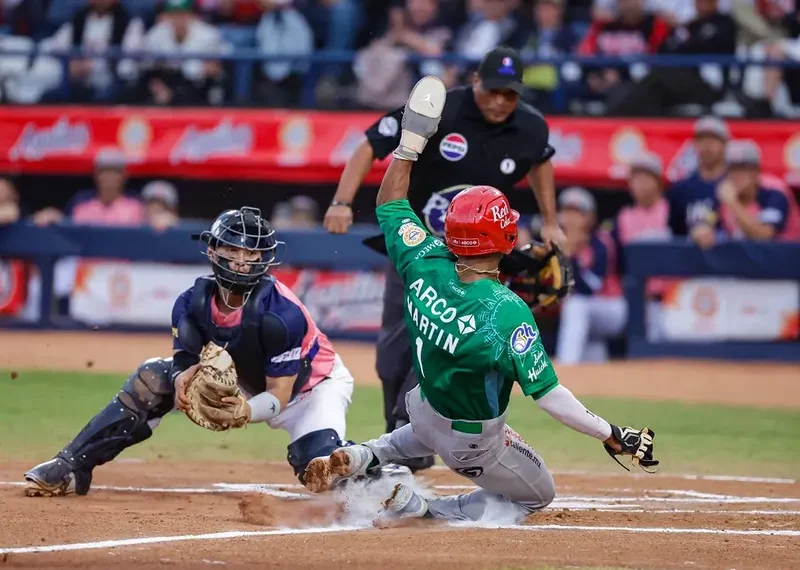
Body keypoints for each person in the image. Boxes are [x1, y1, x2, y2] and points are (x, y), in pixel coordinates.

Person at [303, 76, 657, 522]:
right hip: (471, 441)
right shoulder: (506, 311)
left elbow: (390, 201)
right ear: (505, 237)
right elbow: (550, 398)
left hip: (424, 405)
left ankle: (364, 455)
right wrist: (613, 433)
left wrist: (409, 145)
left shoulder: (422, 258)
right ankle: (422, 510)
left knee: (423, 426)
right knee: (536, 497)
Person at [22, 206, 397, 497]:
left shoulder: (281, 315)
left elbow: (281, 395)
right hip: (244, 380)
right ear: (213, 249)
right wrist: (185, 381)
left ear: (265, 258)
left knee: (317, 469)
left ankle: (384, 475)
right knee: (153, 379)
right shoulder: (191, 303)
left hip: (309, 390)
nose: (239, 259)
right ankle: (72, 466)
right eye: (231, 248)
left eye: (250, 252)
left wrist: (243, 411)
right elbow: (184, 359)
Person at [325, 46, 565, 471]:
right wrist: (343, 201)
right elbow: (369, 144)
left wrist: (550, 220)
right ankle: (402, 436)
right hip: (420, 249)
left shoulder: (530, 127)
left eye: (509, 95)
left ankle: (412, 437)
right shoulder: (439, 109)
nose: (499, 101)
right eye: (492, 91)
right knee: (394, 355)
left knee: (448, 345)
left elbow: (541, 161)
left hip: (479, 260)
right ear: (475, 81)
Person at [554, 187, 625, 364]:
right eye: (566, 211)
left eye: (578, 212)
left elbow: (589, 289)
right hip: (585, 318)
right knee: (592, 363)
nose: (570, 218)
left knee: (576, 305)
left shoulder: (601, 243)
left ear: (590, 217)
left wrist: (571, 257)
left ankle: (565, 366)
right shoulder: (554, 241)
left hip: (610, 307)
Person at [715, 140, 800, 241]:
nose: (736, 175)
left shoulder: (774, 192)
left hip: (789, 254)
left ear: (756, 171)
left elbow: (764, 235)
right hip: (749, 255)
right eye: (732, 169)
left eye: (742, 169)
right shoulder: (724, 196)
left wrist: (733, 204)